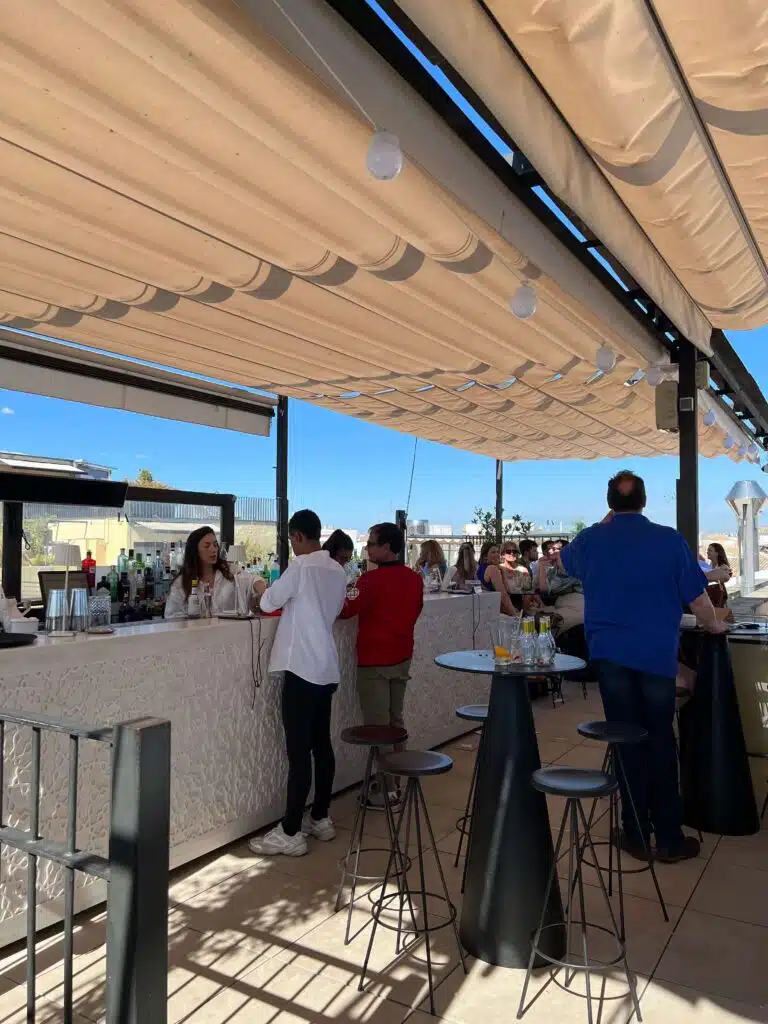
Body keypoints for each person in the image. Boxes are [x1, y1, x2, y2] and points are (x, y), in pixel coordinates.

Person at [561, 470, 727, 863]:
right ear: (645, 501)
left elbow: (566, 563)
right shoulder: (669, 540)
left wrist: (606, 522)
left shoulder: (590, 541)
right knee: (659, 739)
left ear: (609, 504)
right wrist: (713, 625)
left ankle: (635, 833)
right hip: (655, 656)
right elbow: (699, 600)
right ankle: (668, 837)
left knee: (625, 741)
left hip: (610, 656)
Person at [248, 509, 347, 857]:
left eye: (292, 539)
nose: (292, 546)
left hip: (301, 668)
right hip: (326, 667)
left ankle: (290, 831)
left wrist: (260, 585)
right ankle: (320, 817)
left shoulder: (301, 568)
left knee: (298, 752)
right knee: (322, 745)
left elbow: (268, 601)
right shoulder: (337, 570)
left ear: (299, 536)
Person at [340, 522, 424, 802]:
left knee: (378, 727)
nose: (367, 549)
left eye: (371, 544)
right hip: (402, 656)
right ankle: (398, 779)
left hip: (375, 660)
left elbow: (345, 610)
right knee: (396, 722)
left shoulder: (369, 581)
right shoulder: (414, 578)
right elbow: (417, 610)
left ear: (386, 547)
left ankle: (388, 789)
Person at [165, 526, 255, 618]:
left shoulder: (228, 571)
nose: (213, 550)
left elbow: (252, 580)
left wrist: (259, 588)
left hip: (228, 629)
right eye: (207, 546)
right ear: (195, 551)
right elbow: (172, 618)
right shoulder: (181, 583)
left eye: (215, 545)